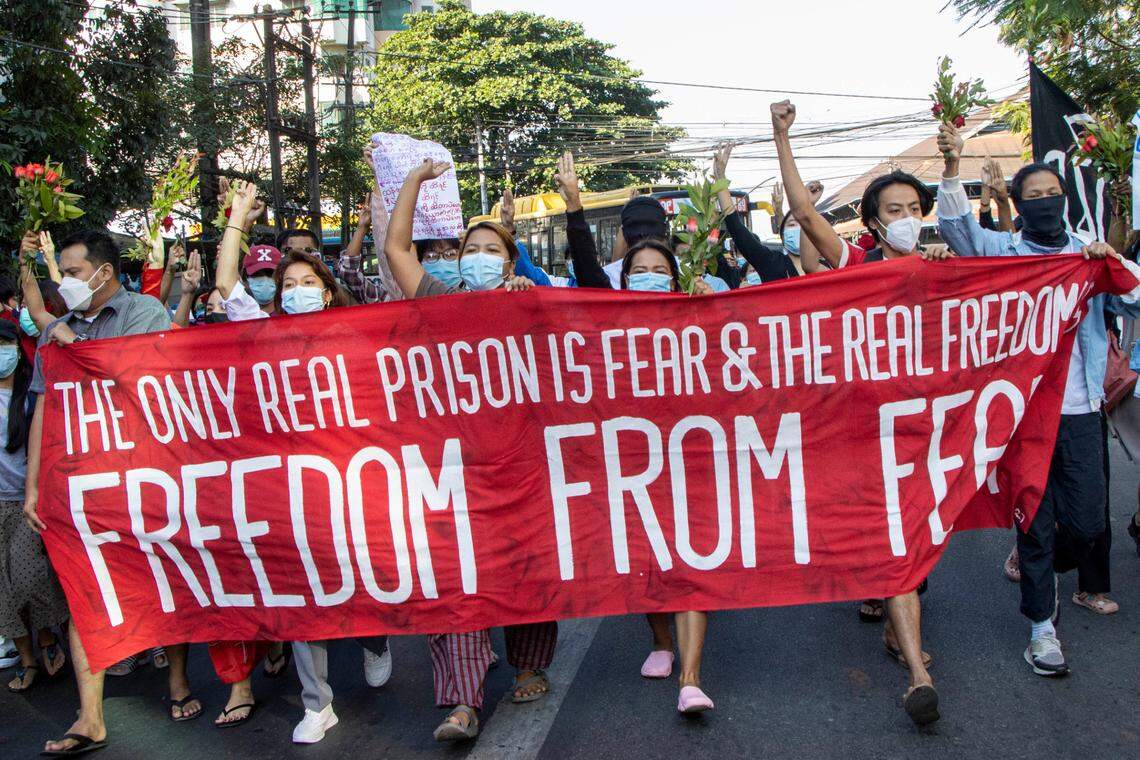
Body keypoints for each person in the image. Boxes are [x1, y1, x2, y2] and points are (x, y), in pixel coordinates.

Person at [935, 121, 1140, 677]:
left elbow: (1136, 303)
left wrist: (1112, 266)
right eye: (1035, 196)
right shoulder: (1004, 253)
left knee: (1088, 523)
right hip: (1023, 415)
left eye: (1054, 195)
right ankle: (1041, 630)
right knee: (1037, 522)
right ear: (1018, 206)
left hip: (1078, 411)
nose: (1046, 203)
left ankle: (1053, 571)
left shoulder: (1087, 257)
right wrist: (953, 170)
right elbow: (956, 229)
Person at [772, 99, 944, 726]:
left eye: (913, 209)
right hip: (864, 429)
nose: (905, 218)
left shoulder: (943, 272)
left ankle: (902, 632)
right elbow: (807, 214)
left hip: (926, 430)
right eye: (892, 210)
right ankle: (919, 670)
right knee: (898, 536)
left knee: (918, 537)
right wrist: (781, 139)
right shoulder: (857, 266)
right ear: (873, 220)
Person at [386, 158, 554, 743]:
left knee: (528, 569)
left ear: (509, 263)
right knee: (457, 576)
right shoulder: (439, 300)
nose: (477, 256)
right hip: (454, 469)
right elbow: (397, 249)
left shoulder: (532, 301)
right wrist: (413, 182)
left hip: (522, 464)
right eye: (469, 248)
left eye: (491, 249)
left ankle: (530, 663)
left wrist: (530, 300)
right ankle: (462, 700)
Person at [216, 180, 388, 743]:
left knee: (358, 578)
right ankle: (318, 704)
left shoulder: (352, 335)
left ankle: (374, 636)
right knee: (299, 589)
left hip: (347, 484)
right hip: (287, 487)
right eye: (286, 284)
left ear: (327, 289)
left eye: (307, 282)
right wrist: (238, 216)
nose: (295, 291)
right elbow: (223, 284)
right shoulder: (261, 331)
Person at [552, 150, 722, 715]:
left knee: (692, 554)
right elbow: (585, 266)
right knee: (651, 553)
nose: (649, 277)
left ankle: (691, 678)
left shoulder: (699, 310)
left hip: (692, 450)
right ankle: (661, 641)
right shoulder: (611, 309)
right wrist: (575, 206)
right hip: (633, 457)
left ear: (676, 276)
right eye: (639, 268)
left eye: (660, 270)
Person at [21, 230, 178, 755]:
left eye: (71, 273)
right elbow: (46, 406)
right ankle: (89, 717)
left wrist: (68, 342)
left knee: (164, 579)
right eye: (60, 273)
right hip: (82, 482)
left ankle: (179, 682)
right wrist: (36, 486)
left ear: (104, 273)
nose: (64, 283)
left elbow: (133, 378)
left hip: (145, 476)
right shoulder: (53, 332)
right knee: (82, 590)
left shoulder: (146, 313)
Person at [0, 319, 69, 694]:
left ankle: (47, 638)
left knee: (30, 579)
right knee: (2, 591)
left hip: (27, 501)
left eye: (4, 343)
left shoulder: (32, 395)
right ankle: (27, 659)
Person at [711, 143, 803, 283]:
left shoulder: (827, 265)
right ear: (783, 235)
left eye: (803, 224)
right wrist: (721, 180)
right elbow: (737, 228)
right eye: (792, 225)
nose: (797, 229)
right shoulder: (774, 264)